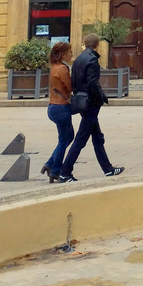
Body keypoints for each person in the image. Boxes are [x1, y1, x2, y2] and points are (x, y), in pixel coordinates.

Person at [58, 34, 124, 182]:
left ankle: (108, 169)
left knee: (97, 137)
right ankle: (65, 172)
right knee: (81, 139)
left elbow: (76, 81)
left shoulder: (78, 60)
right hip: (90, 103)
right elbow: (93, 83)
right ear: (97, 45)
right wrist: (100, 99)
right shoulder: (92, 59)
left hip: (81, 101)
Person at [41, 41, 74, 183]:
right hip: (61, 107)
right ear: (63, 54)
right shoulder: (62, 69)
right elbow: (70, 86)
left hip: (53, 106)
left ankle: (49, 164)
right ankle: (55, 170)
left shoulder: (54, 67)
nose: (72, 54)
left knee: (67, 137)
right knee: (64, 140)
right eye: (69, 52)